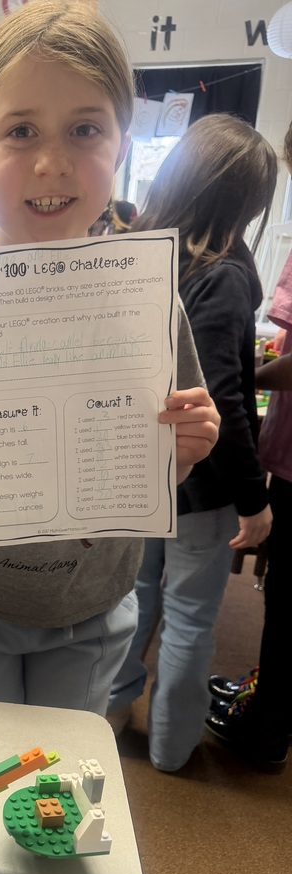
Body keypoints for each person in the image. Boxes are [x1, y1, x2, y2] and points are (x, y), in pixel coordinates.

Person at [0, 1, 220, 712]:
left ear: (121, 146)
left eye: (85, 129)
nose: (52, 161)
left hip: (94, 603)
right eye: (20, 131)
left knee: (62, 785)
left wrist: (189, 445)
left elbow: (164, 464)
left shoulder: (150, 305)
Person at [105, 114, 276, 772]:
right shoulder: (225, 275)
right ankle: (174, 748)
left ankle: (114, 710)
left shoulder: (147, 256)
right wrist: (255, 500)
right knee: (190, 615)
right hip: (199, 484)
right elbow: (223, 403)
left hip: (143, 469)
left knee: (136, 597)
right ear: (246, 204)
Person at [203, 126, 292, 774]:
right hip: (217, 475)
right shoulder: (228, 270)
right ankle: (261, 704)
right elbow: (224, 392)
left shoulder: (208, 266)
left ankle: (264, 720)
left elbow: (225, 391)